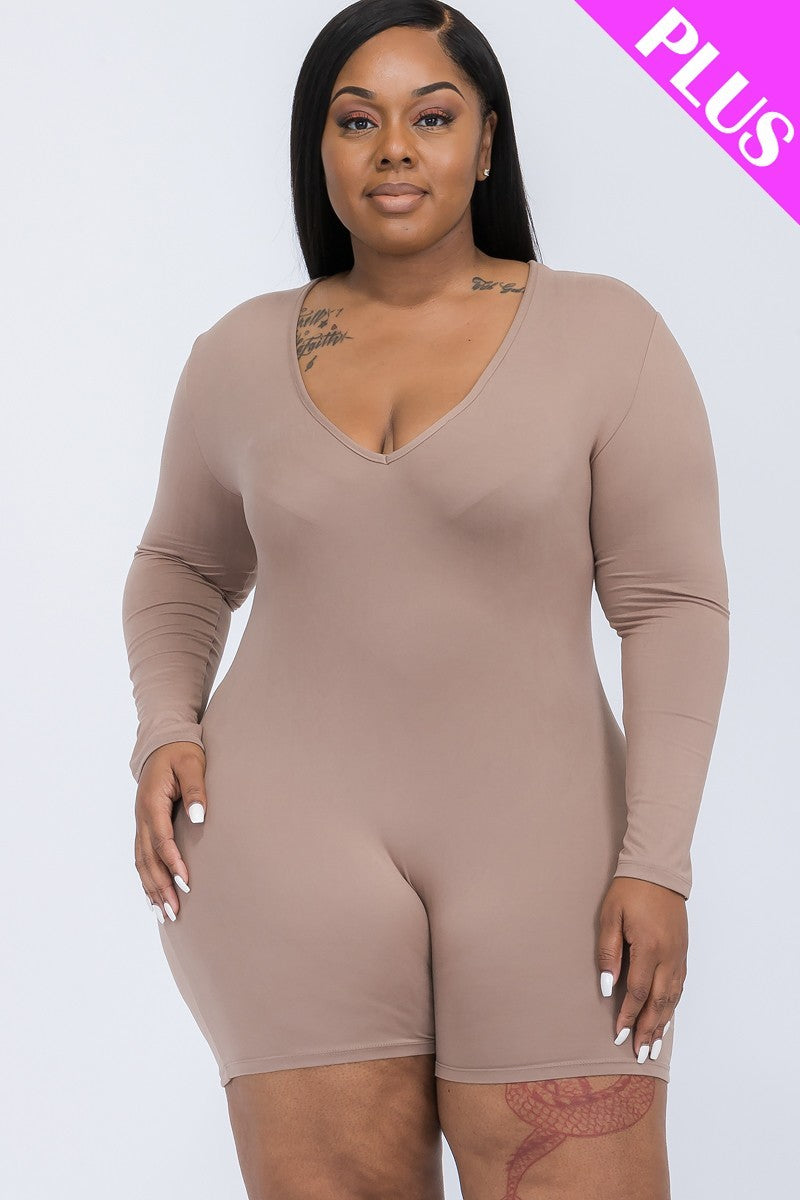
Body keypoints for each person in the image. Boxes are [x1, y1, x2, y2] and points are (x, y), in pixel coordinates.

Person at [121, 2, 730, 1197]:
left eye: (431, 116)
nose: (394, 147)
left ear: (486, 141)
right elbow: (181, 565)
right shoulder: (235, 354)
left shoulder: (606, 334)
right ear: (318, 146)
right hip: (275, 847)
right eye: (356, 121)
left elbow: (669, 606)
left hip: (552, 853)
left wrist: (657, 861)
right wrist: (165, 726)